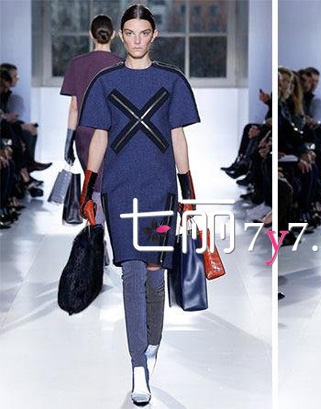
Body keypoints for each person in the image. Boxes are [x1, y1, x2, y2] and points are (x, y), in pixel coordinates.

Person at [78, 4, 200, 405]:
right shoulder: (105, 81)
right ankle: (137, 365)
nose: (136, 40)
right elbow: (99, 137)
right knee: (131, 271)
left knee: (154, 273)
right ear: (120, 35)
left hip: (159, 188)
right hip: (118, 187)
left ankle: (152, 343)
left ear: (153, 35)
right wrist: (88, 189)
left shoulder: (172, 80)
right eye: (129, 33)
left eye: (143, 32)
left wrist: (188, 190)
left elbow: (178, 137)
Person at [60, 14, 122, 229]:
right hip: (115, 133)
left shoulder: (77, 64)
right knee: (111, 183)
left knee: (93, 183)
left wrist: (68, 141)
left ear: (90, 34)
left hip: (85, 134)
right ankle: (112, 234)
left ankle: (96, 234)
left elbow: (74, 107)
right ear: (113, 35)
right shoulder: (121, 65)